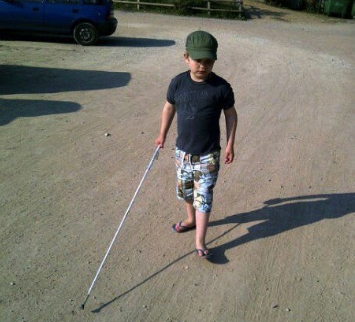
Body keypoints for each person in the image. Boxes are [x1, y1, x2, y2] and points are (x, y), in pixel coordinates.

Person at [155, 30, 238, 259]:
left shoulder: (221, 88)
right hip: (183, 153)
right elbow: (169, 108)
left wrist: (230, 144)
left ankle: (200, 241)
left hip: (208, 156)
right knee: (186, 192)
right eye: (197, 60)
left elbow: (231, 115)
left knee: (204, 197)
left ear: (214, 60)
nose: (203, 65)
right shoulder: (178, 83)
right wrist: (162, 134)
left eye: (208, 61)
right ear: (186, 57)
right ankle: (190, 219)